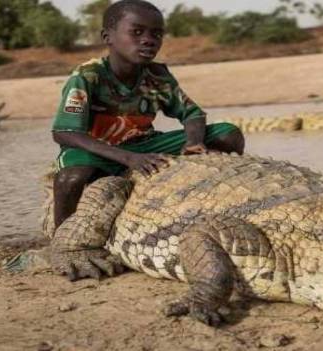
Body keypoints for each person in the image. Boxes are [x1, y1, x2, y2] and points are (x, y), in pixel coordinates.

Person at [51, 0, 244, 230]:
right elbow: (65, 133)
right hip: (97, 150)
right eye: (137, 32)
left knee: (229, 134)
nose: (148, 40)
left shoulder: (157, 75)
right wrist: (129, 159)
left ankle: (210, 202)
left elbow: (191, 113)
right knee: (70, 178)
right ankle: (61, 237)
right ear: (107, 37)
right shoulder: (87, 76)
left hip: (144, 144)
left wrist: (194, 142)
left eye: (157, 34)